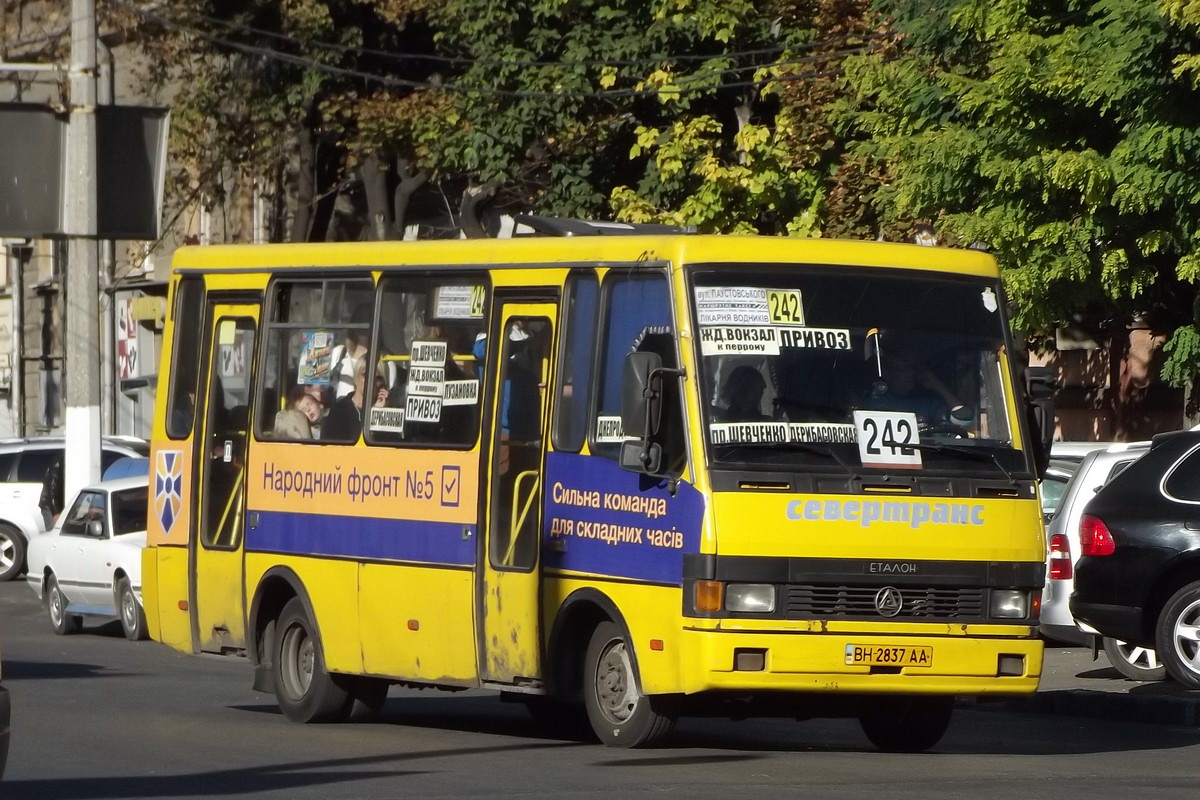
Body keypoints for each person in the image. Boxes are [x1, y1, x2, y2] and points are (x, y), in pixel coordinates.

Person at [870, 352, 962, 424]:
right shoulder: (878, 401)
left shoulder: (928, 402)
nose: (910, 374)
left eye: (912, 369)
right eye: (902, 369)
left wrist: (937, 386)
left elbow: (964, 420)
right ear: (887, 374)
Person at [323, 361, 386, 441]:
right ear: (356, 377)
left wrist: (378, 413)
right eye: (365, 375)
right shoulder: (340, 410)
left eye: (378, 378)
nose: (371, 380)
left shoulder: (385, 409)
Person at [38, 455, 64, 530]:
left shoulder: (60, 461)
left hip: (54, 504)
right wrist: (55, 512)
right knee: (54, 531)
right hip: (50, 505)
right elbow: (52, 489)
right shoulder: (58, 463)